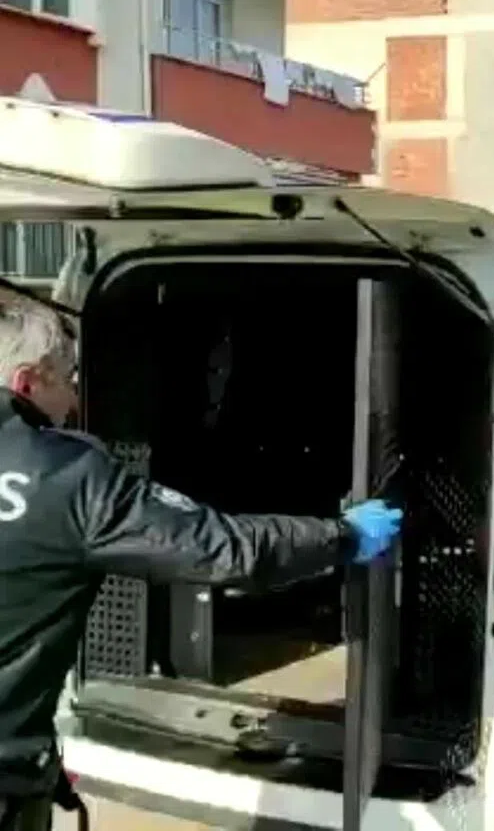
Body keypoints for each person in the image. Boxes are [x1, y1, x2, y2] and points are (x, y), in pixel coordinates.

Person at [0, 300, 403, 831]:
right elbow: (222, 548)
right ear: (27, 382)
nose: (75, 398)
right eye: (69, 378)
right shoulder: (66, 474)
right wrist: (343, 536)